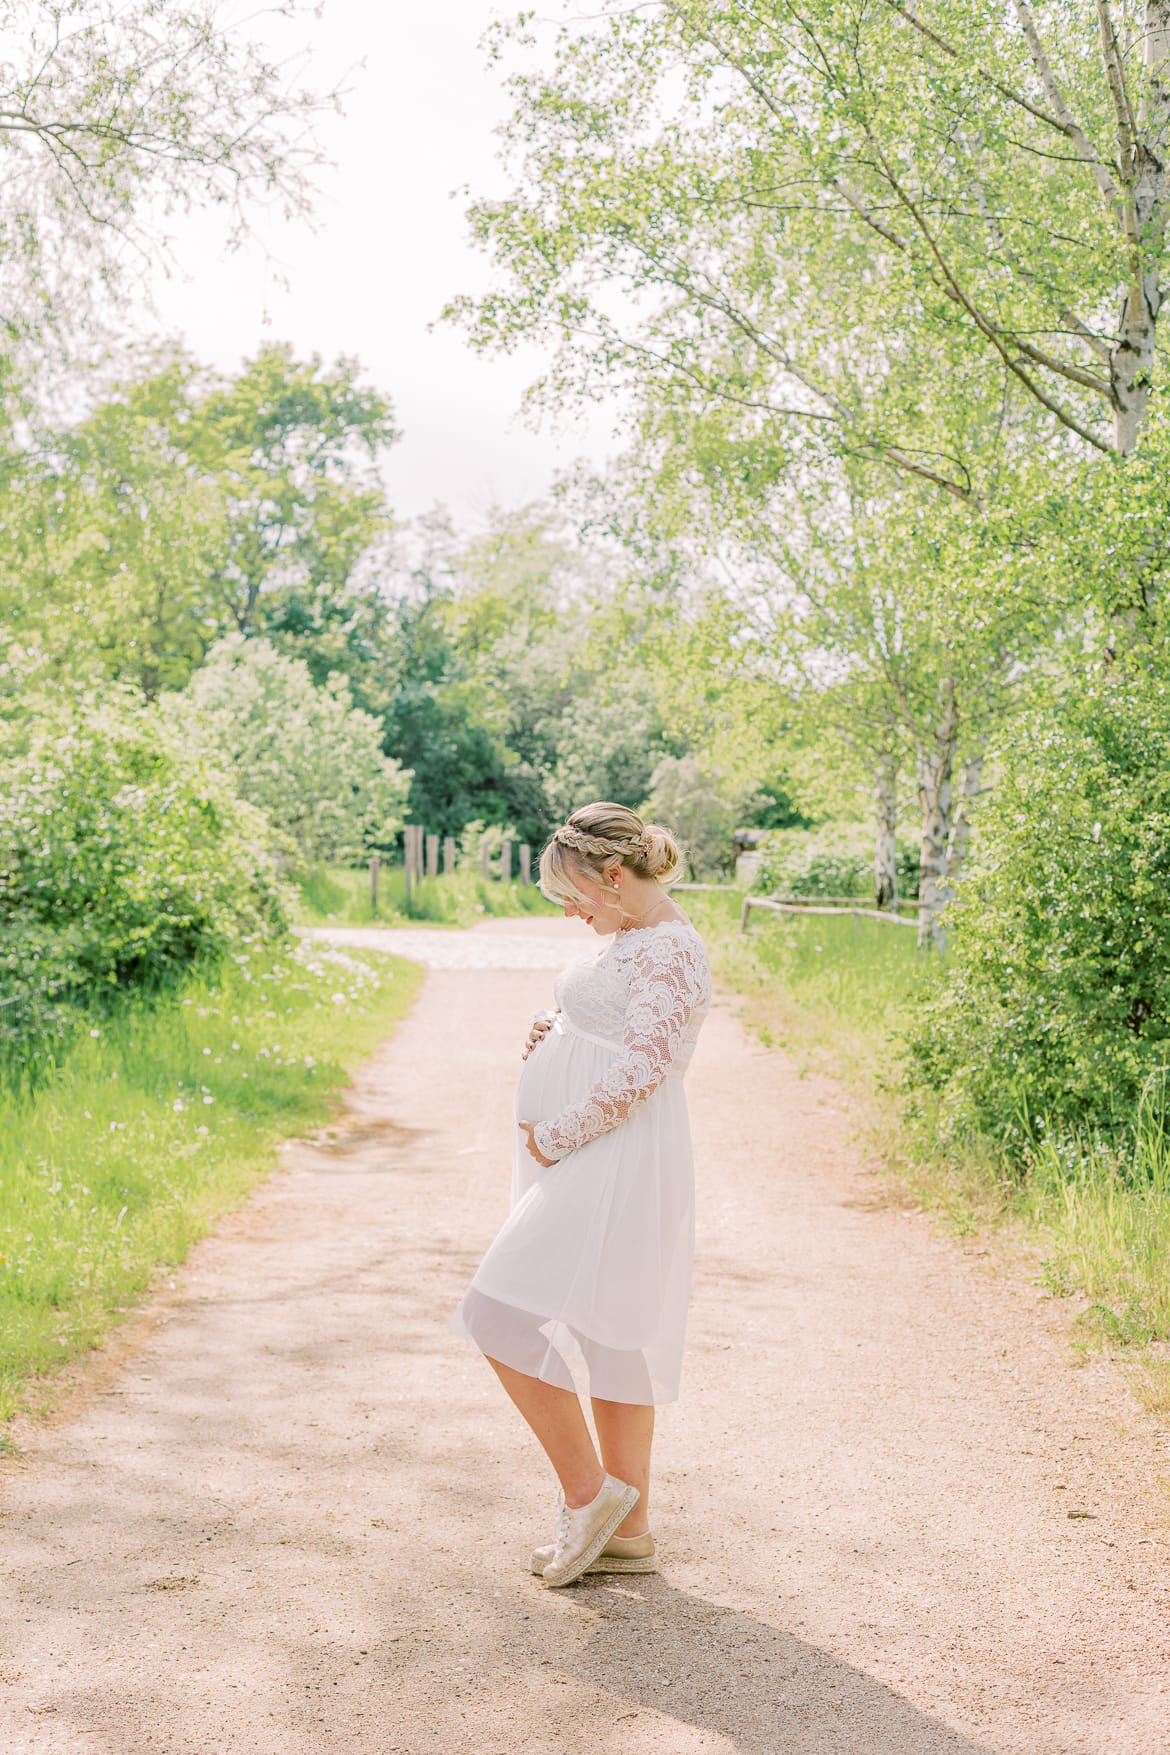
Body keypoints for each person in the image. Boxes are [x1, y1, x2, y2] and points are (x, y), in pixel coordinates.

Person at [450, 801, 712, 1587]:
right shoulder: (632, 938)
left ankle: (590, 1494)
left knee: (495, 1311)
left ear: (614, 874)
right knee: (610, 1328)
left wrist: (553, 1133)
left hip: (613, 1154)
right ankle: (629, 1531)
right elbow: (606, 1022)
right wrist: (552, 1025)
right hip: (596, 1154)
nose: (568, 911)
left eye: (574, 894)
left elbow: (643, 1067)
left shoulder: (671, 947)